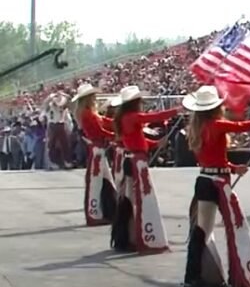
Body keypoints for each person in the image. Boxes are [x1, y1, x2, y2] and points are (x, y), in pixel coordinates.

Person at [182, 85, 250, 287]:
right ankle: (237, 273)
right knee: (234, 226)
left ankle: (191, 276)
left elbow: (210, 160)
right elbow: (244, 126)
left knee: (202, 231)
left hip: (205, 179)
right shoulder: (217, 125)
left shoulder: (197, 128)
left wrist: (232, 167)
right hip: (218, 182)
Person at [109, 85, 178, 254]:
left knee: (130, 200)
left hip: (132, 158)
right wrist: (175, 111)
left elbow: (137, 141)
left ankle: (128, 236)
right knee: (138, 200)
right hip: (136, 162)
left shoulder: (125, 118)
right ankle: (138, 237)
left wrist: (154, 144)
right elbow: (154, 116)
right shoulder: (131, 117)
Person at [71, 83, 117, 226]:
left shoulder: (89, 112)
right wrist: (115, 135)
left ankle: (106, 210)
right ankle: (93, 214)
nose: (95, 98)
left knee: (104, 181)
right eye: (93, 96)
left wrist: (117, 124)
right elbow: (99, 131)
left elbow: (104, 122)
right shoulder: (87, 113)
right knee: (95, 183)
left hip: (98, 148)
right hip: (96, 149)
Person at [43, 90, 73, 170]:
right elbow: (45, 103)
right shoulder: (49, 106)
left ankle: (67, 161)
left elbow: (69, 99)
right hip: (52, 125)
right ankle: (52, 162)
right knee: (51, 144)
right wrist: (52, 96)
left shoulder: (62, 106)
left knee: (65, 144)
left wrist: (62, 94)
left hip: (60, 124)